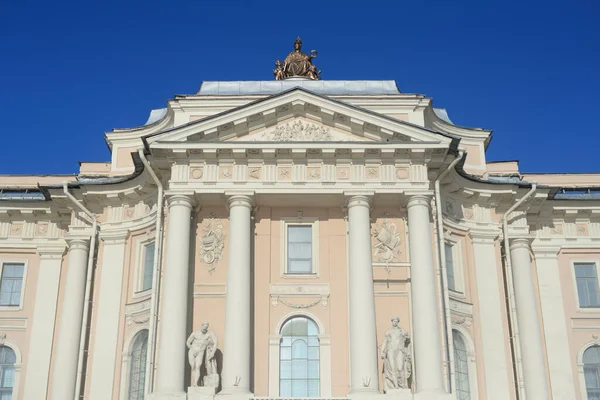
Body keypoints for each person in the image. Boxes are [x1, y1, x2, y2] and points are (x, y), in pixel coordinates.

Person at [381, 316, 411, 390]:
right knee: (392, 369)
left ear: (398, 322)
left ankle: (402, 385)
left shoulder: (402, 330)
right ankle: (395, 386)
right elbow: (385, 342)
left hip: (399, 350)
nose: (395, 322)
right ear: (392, 322)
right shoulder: (389, 331)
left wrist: (406, 338)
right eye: (393, 321)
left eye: (396, 321)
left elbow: (407, 340)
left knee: (400, 368)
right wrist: (382, 351)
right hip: (390, 350)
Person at [186, 322, 218, 387]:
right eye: (204, 326)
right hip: (192, 351)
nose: (205, 328)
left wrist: (212, 353)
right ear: (202, 326)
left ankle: (195, 383)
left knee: (197, 366)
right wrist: (192, 348)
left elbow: (215, 343)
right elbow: (188, 342)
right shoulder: (195, 334)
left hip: (201, 351)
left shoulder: (209, 335)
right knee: (193, 366)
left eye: (206, 327)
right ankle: (194, 382)